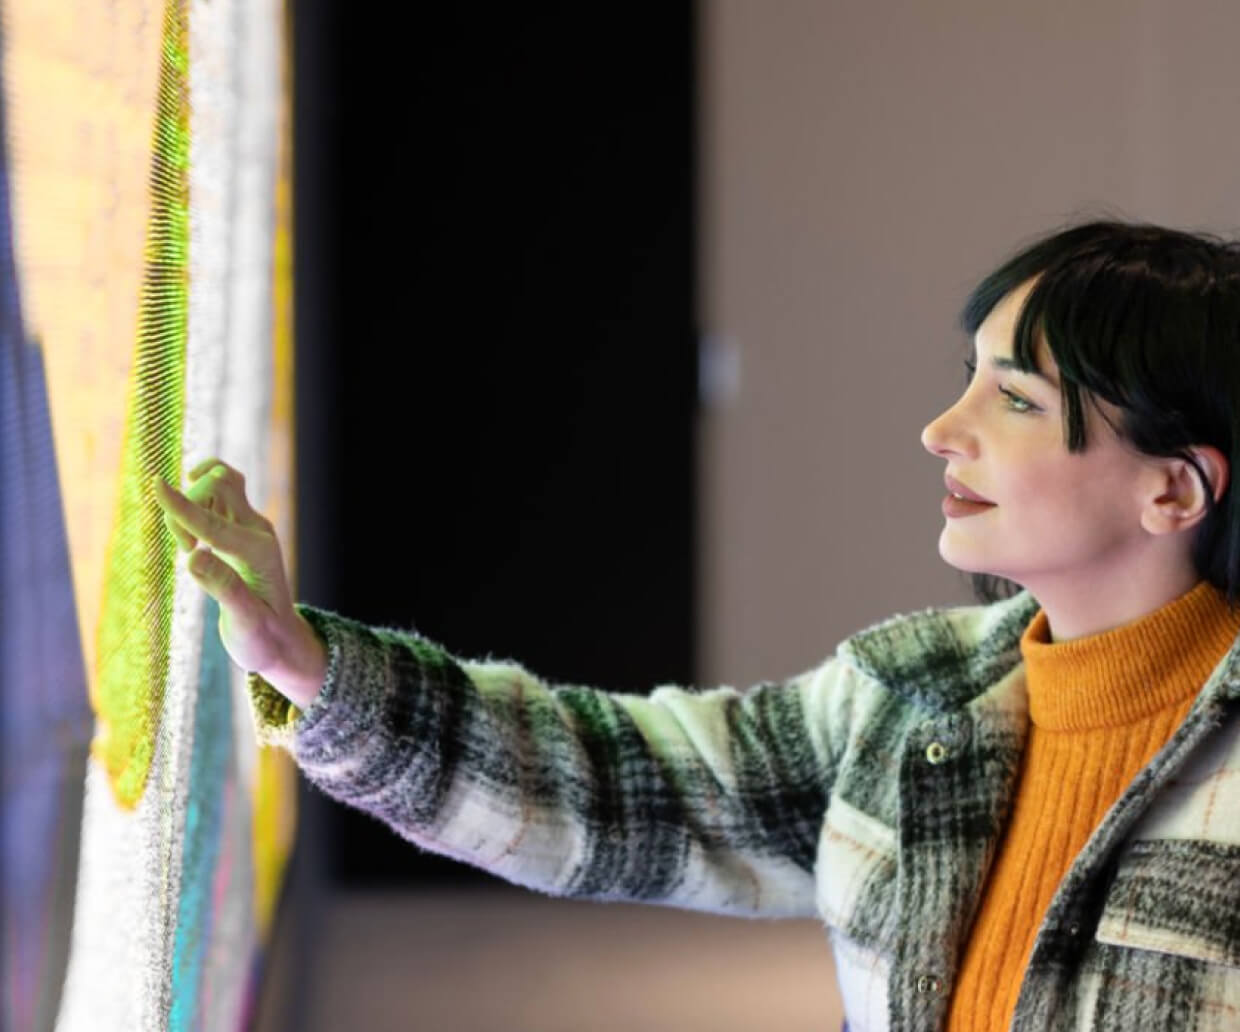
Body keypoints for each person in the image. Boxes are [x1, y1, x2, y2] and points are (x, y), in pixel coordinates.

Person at [150, 219, 1240, 1032]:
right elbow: (620, 784)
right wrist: (307, 662)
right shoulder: (910, 698)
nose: (939, 431)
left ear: (1175, 493)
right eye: (968, 380)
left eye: (1014, 400)